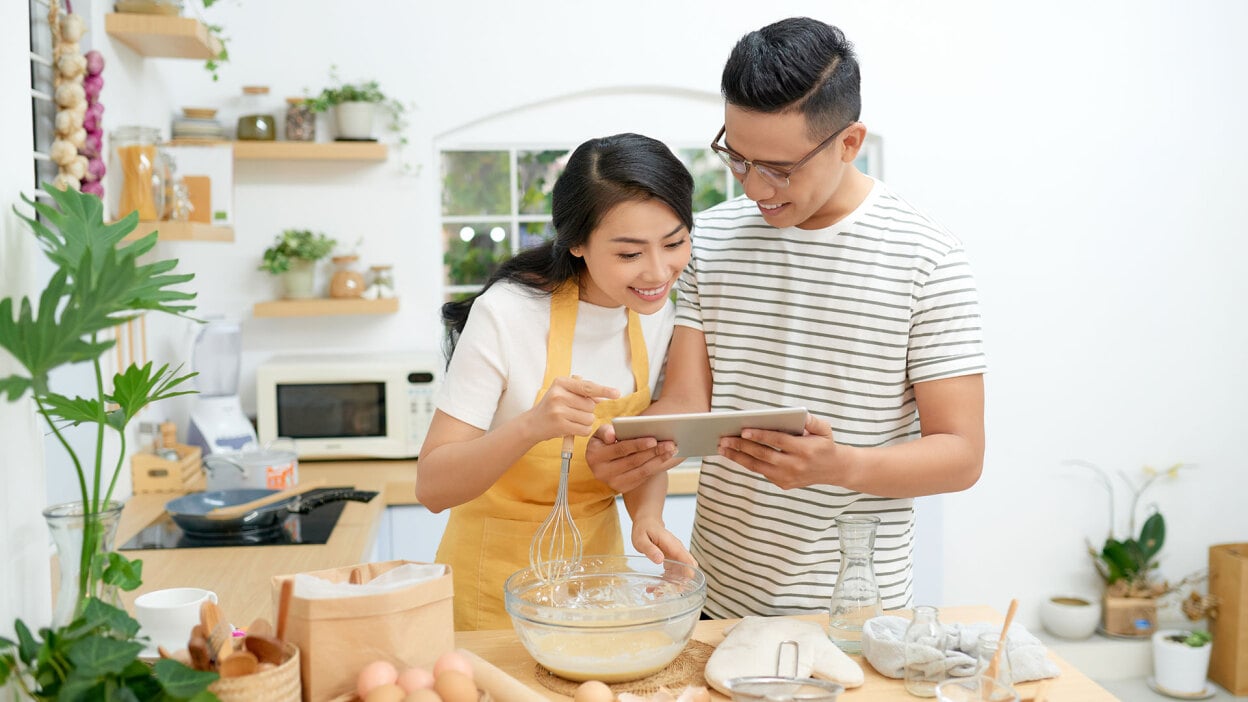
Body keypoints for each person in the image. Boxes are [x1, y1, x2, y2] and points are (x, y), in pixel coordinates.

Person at [587, 18, 987, 619]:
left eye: (779, 168)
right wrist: (627, 446)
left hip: (856, 613)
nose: (754, 188)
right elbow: (688, 401)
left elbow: (961, 455)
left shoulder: (928, 258)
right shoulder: (708, 241)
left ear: (849, 142)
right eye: (737, 158)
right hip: (715, 604)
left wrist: (841, 466)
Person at [417, 132, 698, 631]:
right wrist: (531, 426)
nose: (659, 271)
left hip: (596, 586)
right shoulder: (506, 313)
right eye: (629, 254)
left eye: (674, 243)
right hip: (492, 591)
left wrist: (647, 517)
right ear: (577, 243)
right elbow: (432, 486)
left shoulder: (656, 315)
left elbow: (637, 452)